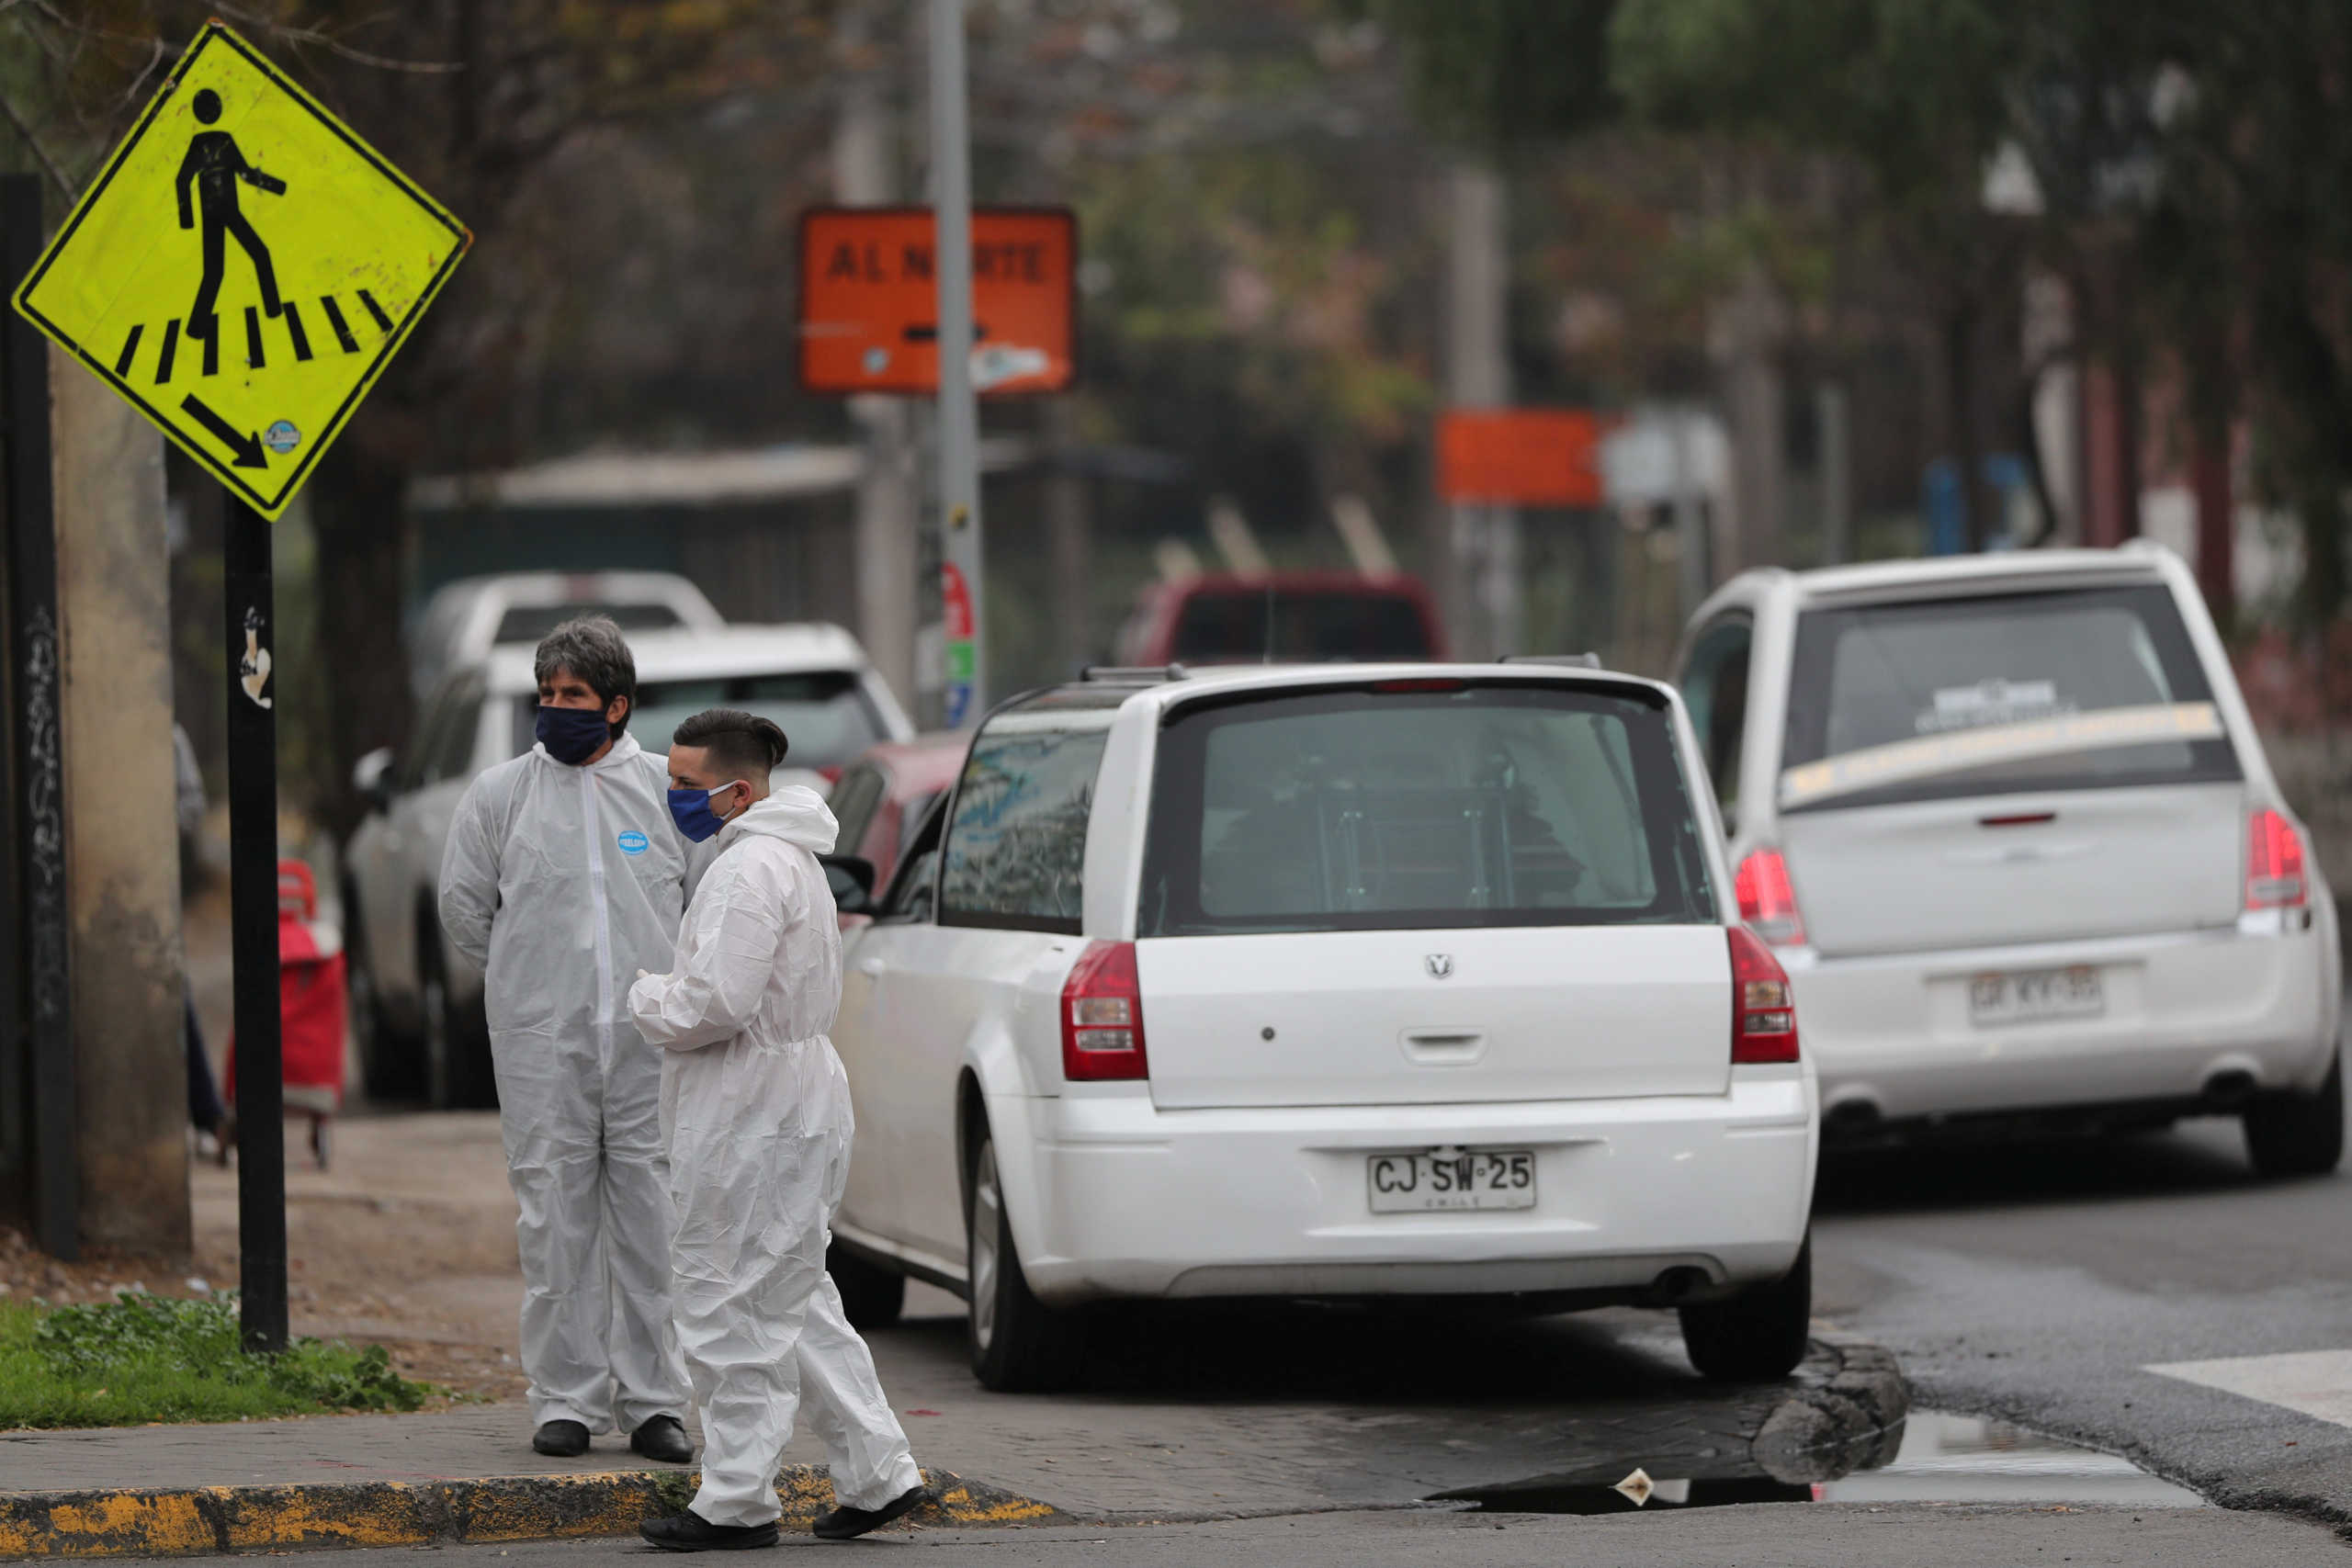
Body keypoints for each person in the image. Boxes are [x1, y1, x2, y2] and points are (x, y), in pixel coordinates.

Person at [628, 709, 925, 1550]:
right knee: (789, 1295)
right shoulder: (779, 857)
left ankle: (735, 1500)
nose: (674, 796)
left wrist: (645, 996)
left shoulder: (747, 869)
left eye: (686, 784)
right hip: (786, 1101)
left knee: (730, 1303)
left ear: (739, 791)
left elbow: (716, 1003)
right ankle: (878, 1472)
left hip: (753, 1112)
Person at [438, 616, 696, 1463]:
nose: (555, 708)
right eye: (546, 694)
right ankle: (565, 1401)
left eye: (574, 696)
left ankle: (655, 1401)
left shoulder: (666, 793)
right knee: (554, 1220)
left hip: (646, 1048)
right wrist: (532, 983)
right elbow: (464, 913)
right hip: (542, 1049)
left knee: (651, 1222)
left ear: (617, 705)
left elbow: (707, 908)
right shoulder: (500, 795)